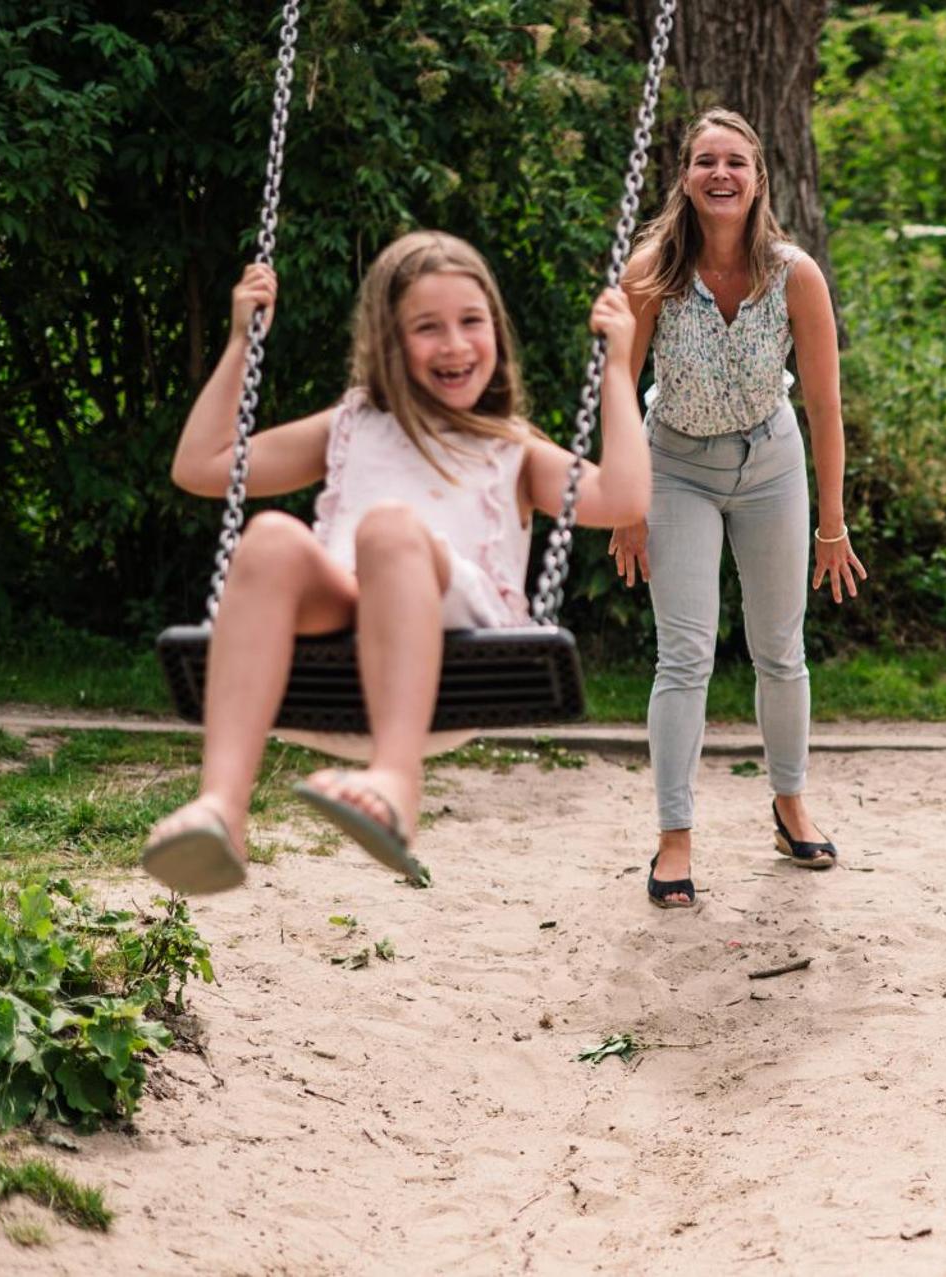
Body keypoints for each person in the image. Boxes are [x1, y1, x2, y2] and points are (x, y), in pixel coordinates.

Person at [140, 231, 649, 893]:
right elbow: (201, 467)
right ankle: (223, 806)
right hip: (350, 615)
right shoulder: (351, 425)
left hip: (456, 639)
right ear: (388, 339)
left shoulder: (510, 448)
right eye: (427, 327)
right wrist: (241, 341)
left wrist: (616, 367)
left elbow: (624, 497)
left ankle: (396, 784)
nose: (456, 344)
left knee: (388, 530)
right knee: (268, 536)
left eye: (472, 321)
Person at [612, 108, 863, 909]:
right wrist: (624, 501)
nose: (721, 175)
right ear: (685, 177)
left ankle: (789, 804)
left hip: (772, 465)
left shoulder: (797, 275)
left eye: (737, 163)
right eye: (705, 162)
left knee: (779, 649)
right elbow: (618, 390)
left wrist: (833, 524)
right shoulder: (652, 269)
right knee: (683, 655)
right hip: (674, 465)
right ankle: (674, 838)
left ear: (759, 180)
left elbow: (824, 404)